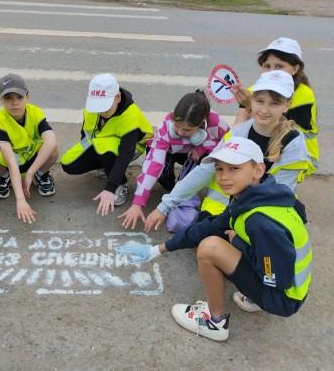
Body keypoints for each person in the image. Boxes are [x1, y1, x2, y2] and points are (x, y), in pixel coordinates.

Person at [117, 137, 311, 342]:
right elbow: (206, 227)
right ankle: (252, 297)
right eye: (219, 169)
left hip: (282, 296)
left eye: (234, 168)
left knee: (210, 248)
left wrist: (238, 243)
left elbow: (276, 279)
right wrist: (157, 249)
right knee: (208, 235)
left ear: (258, 170)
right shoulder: (260, 195)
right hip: (283, 278)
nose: (224, 177)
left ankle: (214, 322)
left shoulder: (259, 221)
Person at [143, 70, 314, 233]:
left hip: (266, 208)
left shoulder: (294, 142)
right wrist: (164, 207)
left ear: (287, 105)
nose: (264, 110)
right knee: (202, 243)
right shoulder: (237, 133)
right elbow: (205, 170)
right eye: (260, 101)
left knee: (242, 244)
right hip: (223, 203)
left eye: (274, 103)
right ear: (251, 101)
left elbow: (277, 191)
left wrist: (237, 223)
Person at [119, 90, 229, 230]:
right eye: (177, 126)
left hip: (196, 154)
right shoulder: (166, 127)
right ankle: (175, 192)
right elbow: (153, 165)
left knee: (203, 170)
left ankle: (184, 190)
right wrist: (137, 203)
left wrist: (203, 148)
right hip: (172, 152)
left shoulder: (216, 122)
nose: (181, 133)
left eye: (187, 130)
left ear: (202, 123)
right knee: (164, 178)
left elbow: (227, 144)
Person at [61, 73, 153, 216]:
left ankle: (120, 183)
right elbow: (85, 133)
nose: (101, 110)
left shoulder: (130, 115)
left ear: (117, 97)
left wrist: (110, 188)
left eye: (105, 106)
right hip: (101, 145)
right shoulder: (92, 108)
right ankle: (107, 166)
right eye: (97, 105)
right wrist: (90, 156)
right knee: (69, 164)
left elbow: (125, 153)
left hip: (130, 149)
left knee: (106, 147)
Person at [232, 37, 318, 174]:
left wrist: (250, 106)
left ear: (295, 68)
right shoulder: (254, 89)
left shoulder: (304, 93)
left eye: (279, 66)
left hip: (299, 154)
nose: (272, 71)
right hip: (262, 148)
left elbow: (280, 127)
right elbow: (237, 127)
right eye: (267, 66)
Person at [0, 73, 59, 223]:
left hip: (33, 159)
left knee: (54, 147)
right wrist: (20, 200)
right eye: (8, 98)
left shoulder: (35, 112)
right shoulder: (0, 120)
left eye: (19, 97)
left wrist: (31, 172)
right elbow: (11, 161)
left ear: (28, 97)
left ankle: (41, 174)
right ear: (0, 100)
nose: (15, 103)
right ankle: (5, 177)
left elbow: (50, 141)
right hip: (12, 161)